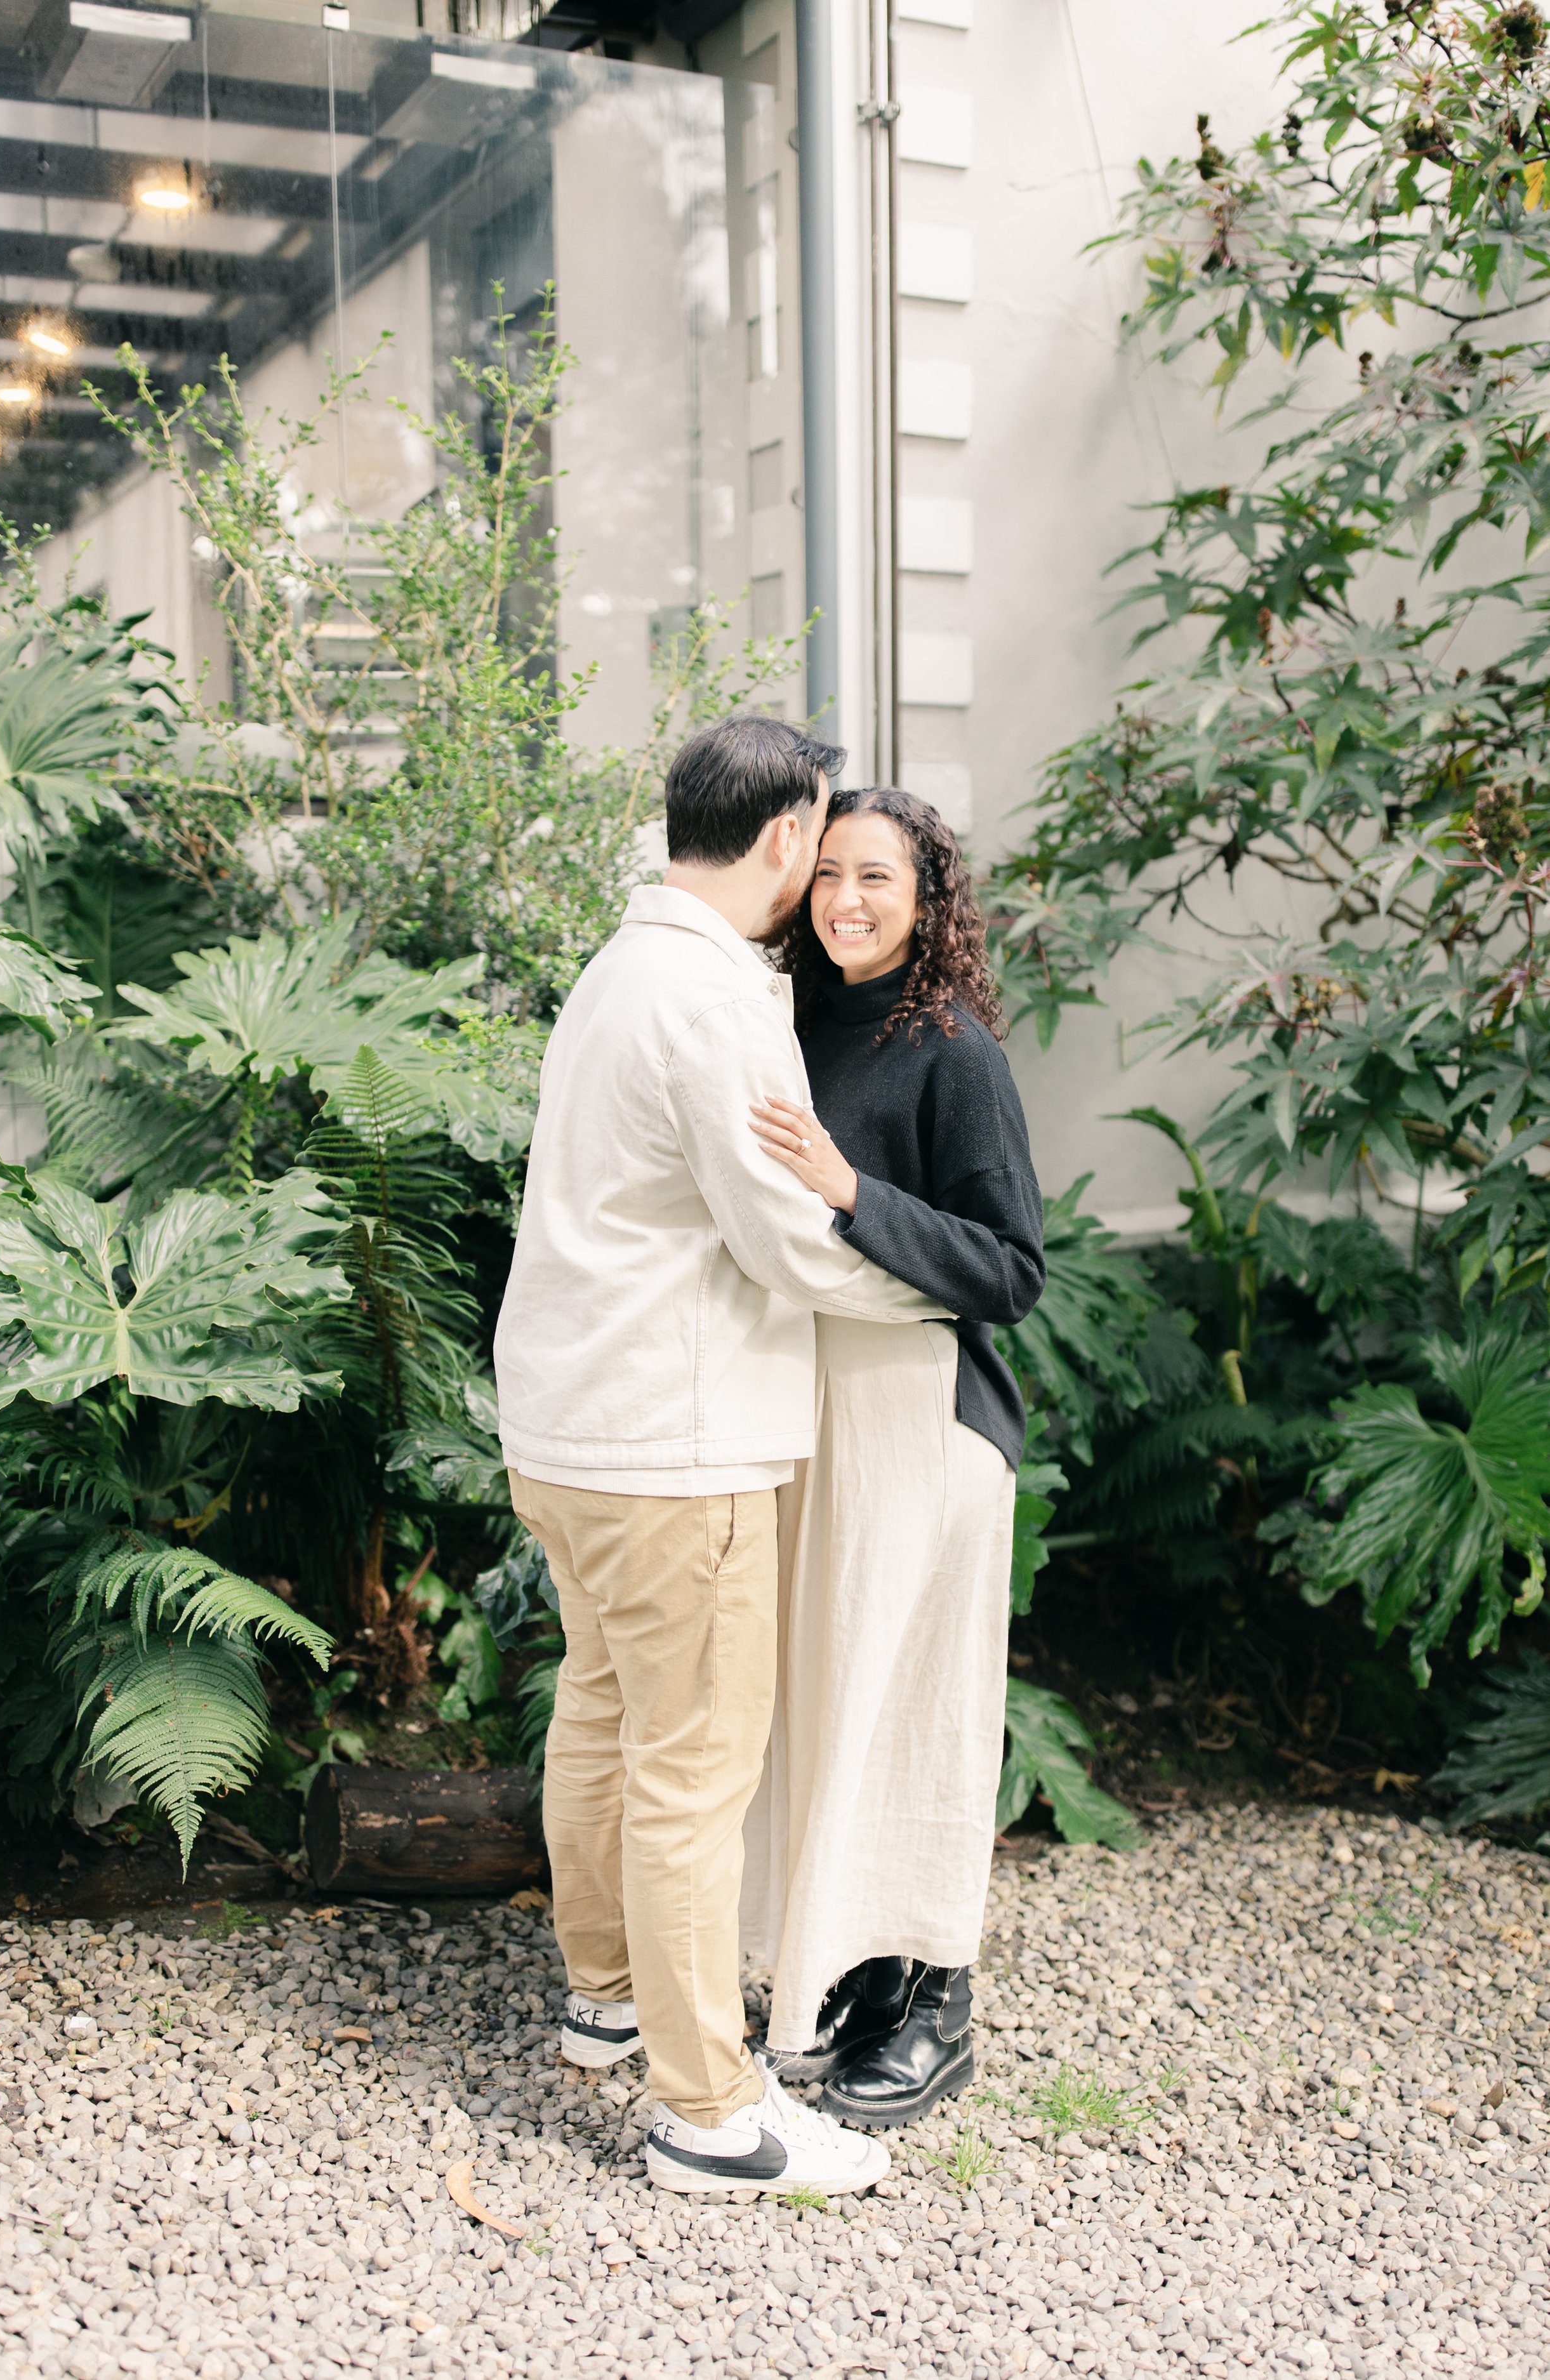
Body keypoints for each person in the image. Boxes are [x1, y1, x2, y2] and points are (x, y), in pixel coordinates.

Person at [493, 718, 951, 2198]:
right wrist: (929, 1282)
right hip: (670, 1450)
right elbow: (789, 1242)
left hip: (564, 1434)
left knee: (607, 1714)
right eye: (815, 841)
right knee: (694, 1772)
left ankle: (604, 1994)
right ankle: (708, 2112)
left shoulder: (617, 970)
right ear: (776, 839)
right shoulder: (718, 1003)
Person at [742, 785, 1046, 2129]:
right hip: (808, 1421)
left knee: (916, 1708)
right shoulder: (781, 1023)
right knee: (823, 1706)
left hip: (927, 1432)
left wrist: (848, 1186)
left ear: (927, 905)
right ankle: (845, 1973)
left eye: (879, 878)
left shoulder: (952, 1050)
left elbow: (1009, 1270)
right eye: (829, 876)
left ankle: (935, 2000)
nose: (847, 900)